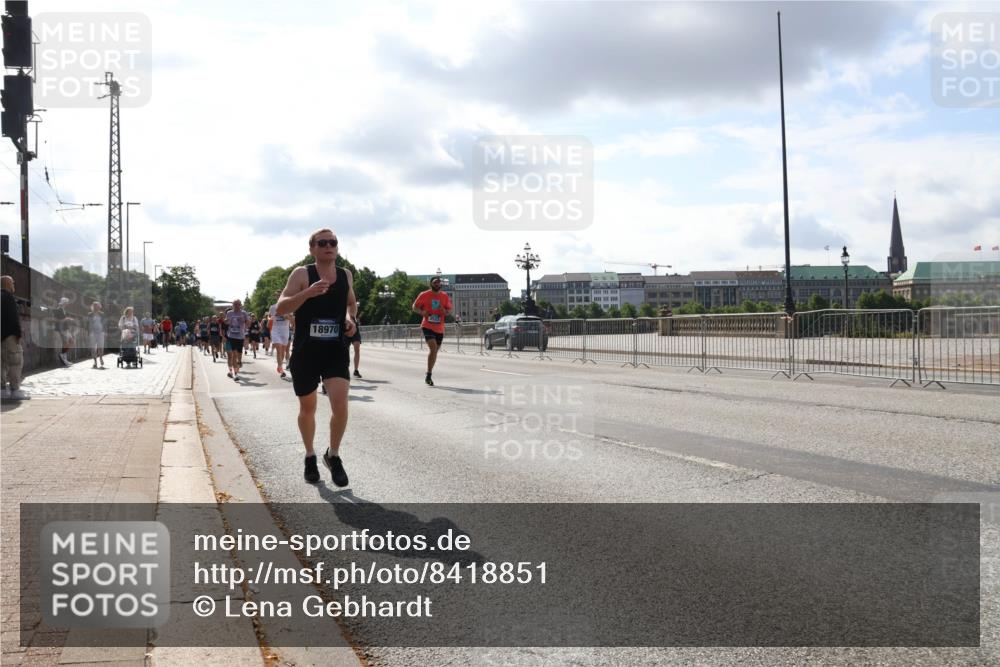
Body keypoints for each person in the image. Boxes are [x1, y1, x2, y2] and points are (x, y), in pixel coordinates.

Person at [276, 228, 356, 486]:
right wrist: (307, 293)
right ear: (312, 248)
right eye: (322, 243)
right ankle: (310, 455)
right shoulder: (302, 274)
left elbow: (350, 304)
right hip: (306, 351)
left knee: (341, 404)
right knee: (308, 408)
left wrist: (349, 319)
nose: (328, 246)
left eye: (333, 242)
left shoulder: (345, 275)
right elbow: (281, 307)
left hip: (335, 349)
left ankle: (333, 455)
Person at [412, 275, 452, 386]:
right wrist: (422, 312)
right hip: (427, 326)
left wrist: (444, 310)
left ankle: (429, 373)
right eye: (435, 282)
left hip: (439, 328)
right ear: (431, 284)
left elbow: (449, 312)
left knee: (434, 352)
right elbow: (414, 307)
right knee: (433, 348)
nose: (438, 284)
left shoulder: (444, 296)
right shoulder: (424, 295)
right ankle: (429, 375)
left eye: (439, 283)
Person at [1, 275, 27, 400]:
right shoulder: (9, 298)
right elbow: (13, 318)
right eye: (12, 283)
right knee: (15, 362)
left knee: (1, 363)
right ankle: (15, 389)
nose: (14, 285)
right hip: (10, 336)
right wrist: (18, 334)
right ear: (7, 284)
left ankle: (1, 389)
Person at [268, 290, 292, 378]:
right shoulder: (272, 307)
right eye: (277, 296)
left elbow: (292, 319)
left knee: (283, 351)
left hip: (285, 331)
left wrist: (287, 316)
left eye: (280, 295)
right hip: (275, 330)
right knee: (279, 348)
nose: (278, 297)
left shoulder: (289, 305)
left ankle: (280, 365)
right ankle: (281, 368)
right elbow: (269, 316)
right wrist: (270, 319)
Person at [225, 300, 251, 381]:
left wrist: (245, 321)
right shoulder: (229, 313)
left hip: (240, 336)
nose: (236, 306)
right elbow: (226, 322)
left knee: (239, 355)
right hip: (231, 336)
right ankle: (235, 374)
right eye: (235, 304)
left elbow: (248, 324)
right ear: (232, 305)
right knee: (233, 355)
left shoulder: (244, 313)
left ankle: (238, 363)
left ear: (241, 305)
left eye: (238, 304)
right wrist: (227, 321)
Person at [52, 296, 75, 367]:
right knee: (68, 342)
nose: (67, 304)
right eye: (66, 303)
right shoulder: (58, 310)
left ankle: (64, 357)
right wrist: (66, 319)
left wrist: (68, 319)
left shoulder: (63, 310)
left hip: (65, 328)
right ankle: (64, 358)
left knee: (70, 342)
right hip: (62, 329)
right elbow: (55, 320)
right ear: (63, 303)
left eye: (67, 303)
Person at [88, 302, 107, 368]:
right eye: (95, 306)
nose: (96, 307)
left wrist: (105, 331)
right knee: (93, 348)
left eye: (98, 306)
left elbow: (105, 323)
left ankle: (101, 358)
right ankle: (95, 362)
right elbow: (88, 323)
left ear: (100, 307)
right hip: (93, 332)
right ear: (93, 307)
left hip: (100, 332)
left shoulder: (102, 314)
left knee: (100, 347)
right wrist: (89, 332)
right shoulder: (90, 314)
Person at [346, 314, 363, 378]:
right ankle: (345, 369)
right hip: (345, 329)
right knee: (345, 350)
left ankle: (356, 370)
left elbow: (356, 315)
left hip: (355, 328)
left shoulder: (353, 304)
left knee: (357, 348)